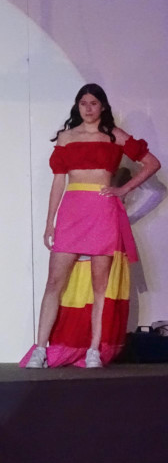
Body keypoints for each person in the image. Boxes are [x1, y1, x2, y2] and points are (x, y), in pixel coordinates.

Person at [23, 84, 159, 369]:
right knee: (53, 283)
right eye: (83, 102)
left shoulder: (114, 136)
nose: (88, 108)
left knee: (100, 287)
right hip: (72, 212)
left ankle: (94, 349)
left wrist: (123, 190)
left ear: (103, 107)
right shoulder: (66, 137)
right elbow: (58, 181)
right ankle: (40, 348)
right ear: (77, 105)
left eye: (93, 103)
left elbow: (151, 163)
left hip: (102, 212)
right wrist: (49, 223)